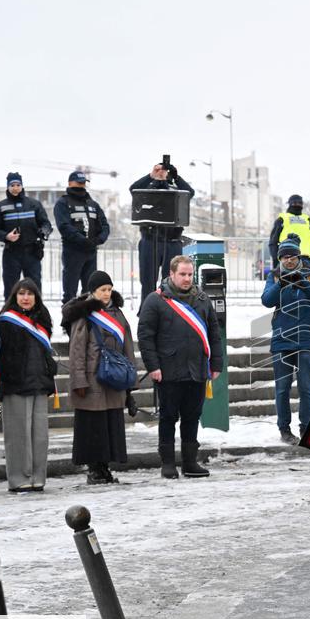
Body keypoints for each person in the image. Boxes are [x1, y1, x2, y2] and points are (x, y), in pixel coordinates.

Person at [138, 255, 223, 479]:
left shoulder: (202, 299)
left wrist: (216, 363)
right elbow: (145, 337)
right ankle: (167, 463)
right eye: (182, 274)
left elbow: (214, 333)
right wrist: (153, 366)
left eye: (189, 275)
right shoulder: (155, 300)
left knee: (192, 417)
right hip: (168, 371)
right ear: (172, 274)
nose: (187, 279)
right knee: (168, 418)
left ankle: (189, 462)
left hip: (196, 370)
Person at [62, 271, 135, 485]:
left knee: (109, 426)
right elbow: (77, 351)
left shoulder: (118, 314)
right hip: (92, 378)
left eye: (109, 289)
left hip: (113, 378)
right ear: (93, 291)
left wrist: (130, 378)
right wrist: (79, 381)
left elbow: (127, 345)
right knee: (93, 428)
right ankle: (94, 468)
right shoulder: (84, 314)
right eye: (103, 290)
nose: (106, 293)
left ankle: (105, 468)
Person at [261, 234, 310, 445]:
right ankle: (284, 429)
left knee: (306, 387)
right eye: (284, 257)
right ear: (279, 258)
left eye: (292, 256)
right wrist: (281, 284)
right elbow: (266, 301)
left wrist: (302, 283)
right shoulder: (274, 275)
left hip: (306, 339)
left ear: (299, 256)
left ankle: (306, 427)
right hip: (281, 339)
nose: (289, 260)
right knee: (282, 388)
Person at [0, 278, 57, 492]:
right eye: (21, 293)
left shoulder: (43, 319)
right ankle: (19, 479)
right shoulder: (5, 321)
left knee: (40, 436)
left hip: (39, 383)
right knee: (18, 436)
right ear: (15, 296)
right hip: (15, 385)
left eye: (30, 294)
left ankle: (38, 477)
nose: (26, 298)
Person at [129, 161, 195, 304]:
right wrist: (151, 176)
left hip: (172, 241)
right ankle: (147, 309)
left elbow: (190, 193)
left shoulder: (175, 190)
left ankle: (170, 309)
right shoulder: (147, 188)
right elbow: (133, 189)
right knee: (147, 280)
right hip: (150, 240)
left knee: (172, 281)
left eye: (164, 171)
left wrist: (176, 177)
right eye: (159, 170)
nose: (162, 173)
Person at [0, 172, 53, 299]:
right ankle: (10, 314)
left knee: (34, 286)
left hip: (32, 252)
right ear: (8, 187)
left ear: (22, 186)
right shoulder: (0, 207)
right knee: (10, 288)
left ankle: (36, 315)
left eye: (18, 184)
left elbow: (46, 224)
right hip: (11, 253)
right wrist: (6, 236)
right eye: (12, 185)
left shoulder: (34, 204)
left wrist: (44, 231)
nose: (15, 187)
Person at [54, 171, 110, 304]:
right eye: (78, 182)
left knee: (90, 291)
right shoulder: (63, 203)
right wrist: (82, 240)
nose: (81, 185)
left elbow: (104, 225)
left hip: (91, 252)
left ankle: (89, 321)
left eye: (83, 182)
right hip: (73, 251)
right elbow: (64, 226)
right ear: (70, 183)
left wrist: (99, 239)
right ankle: (69, 322)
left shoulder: (93, 204)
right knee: (70, 292)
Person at [268, 194, 310, 266]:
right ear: (290, 204)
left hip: (305, 258)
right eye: (295, 203)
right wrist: (276, 258)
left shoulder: (307, 220)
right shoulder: (282, 219)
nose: (297, 205)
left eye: (300, 203)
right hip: (286, 258)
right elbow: (273, 241)